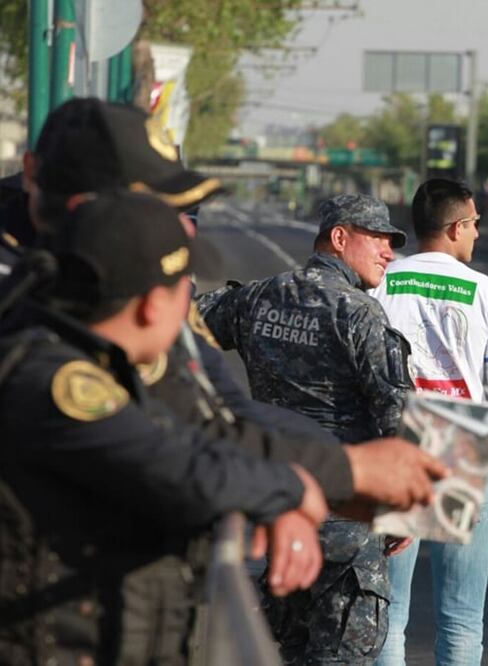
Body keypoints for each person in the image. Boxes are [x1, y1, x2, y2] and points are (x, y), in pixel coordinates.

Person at [6, 97, 448, 662]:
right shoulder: (43, 358)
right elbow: (175, 462)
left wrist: (304, 485)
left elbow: (223, 416)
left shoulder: (217, 306)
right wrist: (345, 471)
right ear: (149, 306)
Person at [0, 190, 332, 665]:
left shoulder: (88, 360)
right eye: (184, 291)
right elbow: (177, 467)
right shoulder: (56, 378)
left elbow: (196, 439)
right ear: (155, 305)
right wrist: (289, 486)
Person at [197, 193, 413, 664]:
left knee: (285, 652)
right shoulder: (358, 313)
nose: (388, 252)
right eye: (377, 237)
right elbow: (399, 414)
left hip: (277, 514)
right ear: (339, 238)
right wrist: (403, 510)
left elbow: (185, 330)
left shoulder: (257, 297)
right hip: (347, 529)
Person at [371, 179, 488, 666]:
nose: (477, 233)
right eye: (475, 223)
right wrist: (473, 454)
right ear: (457, 227)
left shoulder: (381, 279)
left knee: (388, 615)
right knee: (460, 618)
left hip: (394, 449)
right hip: (462, 448)